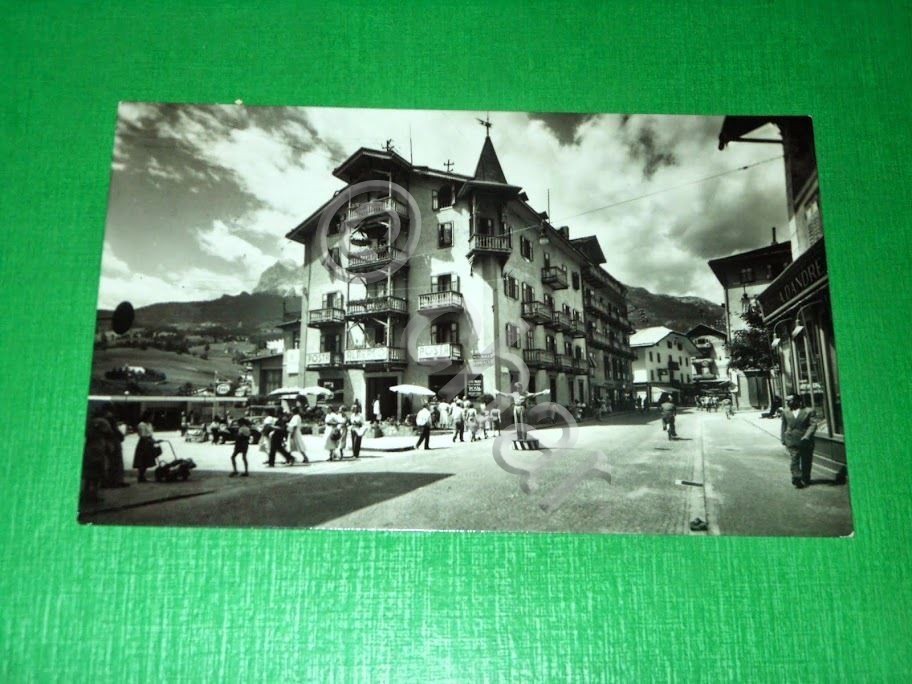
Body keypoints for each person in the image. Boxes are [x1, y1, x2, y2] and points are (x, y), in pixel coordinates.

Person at [781, 395, 818, 488]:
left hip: (805, 440)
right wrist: (783, 438)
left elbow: (813, 425)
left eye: (790, 400)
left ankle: (806, 478)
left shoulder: (809, 411)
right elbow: (784, 425)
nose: (788, 402)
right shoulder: (785, 411)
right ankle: (796, 477)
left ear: (798, 400)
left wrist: (807, 436)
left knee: (806, 460)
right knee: (794, 458)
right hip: (791, 439)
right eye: (787, 401)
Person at [101, 407, 128, 488]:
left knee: (110, 463)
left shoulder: (104, 420)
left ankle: (112, 481)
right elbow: (119, 435)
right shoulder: (111, 424)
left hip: (108, 444)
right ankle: (115, 481)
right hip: (114, 444)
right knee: (115, 463)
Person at [132, 410, 159, 482]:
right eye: (151, 416)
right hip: (143, 443)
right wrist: (151, 441)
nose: (152, 418)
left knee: (147, 460)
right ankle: (140, 476)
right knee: (142, 460)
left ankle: (142, 475)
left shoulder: (149, 424)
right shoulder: (141, 424)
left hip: (149, 442)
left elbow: (150, 434)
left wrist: (154, 441)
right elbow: (143, 436)